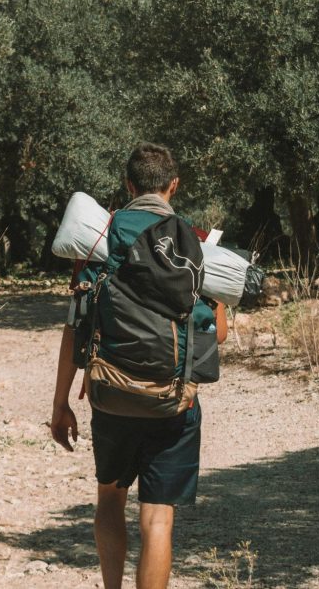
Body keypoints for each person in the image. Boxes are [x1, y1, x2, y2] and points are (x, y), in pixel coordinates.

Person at [50, 143, 227, 589]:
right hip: (173, 403)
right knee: (158, 519)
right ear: (174, 186)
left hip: (111, 398)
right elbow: (216, 336)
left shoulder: (100, 237)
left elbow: (76, 327)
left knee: (110, 500)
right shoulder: (196, 242)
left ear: (128, 185)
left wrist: (60, 404)